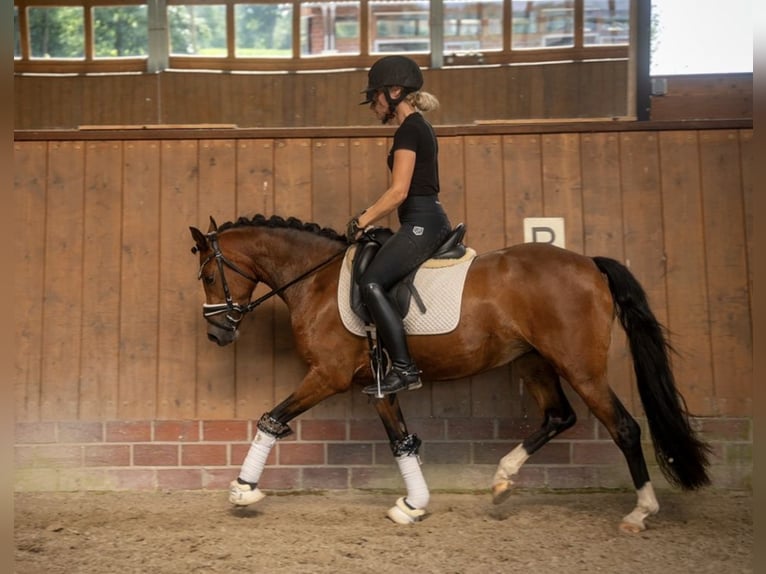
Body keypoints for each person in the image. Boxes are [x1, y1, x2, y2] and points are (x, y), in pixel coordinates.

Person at [347, 55, 453, 396]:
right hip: (423, 219)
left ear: (394, 92)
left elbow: (398, 192)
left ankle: (405, 369)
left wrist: (361, 220)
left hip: (423, 223)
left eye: (375, 96)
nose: (373, 105)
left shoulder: (409, 130)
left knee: (373, 283)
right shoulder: (417, 126)